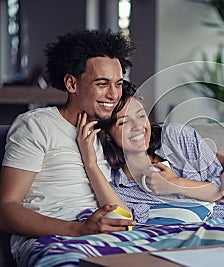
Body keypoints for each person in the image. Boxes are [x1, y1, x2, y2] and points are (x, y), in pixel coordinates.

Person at [0, 29, 135, 265]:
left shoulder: (101, 132)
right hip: (55, 239)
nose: (114, 94)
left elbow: (121, 211)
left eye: (118, 84)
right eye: (102, 84)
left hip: (102, 234)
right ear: (71, 83)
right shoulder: (37, 125)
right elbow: (5, 210)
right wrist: (78, 230)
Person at [77, 81, 224, 223]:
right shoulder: (119, 186)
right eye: (124, 122)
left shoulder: (177, 138)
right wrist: (90, 163)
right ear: (108, 135)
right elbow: (123, 220)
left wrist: (175, 184)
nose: (138, 127)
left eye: (141, 116)